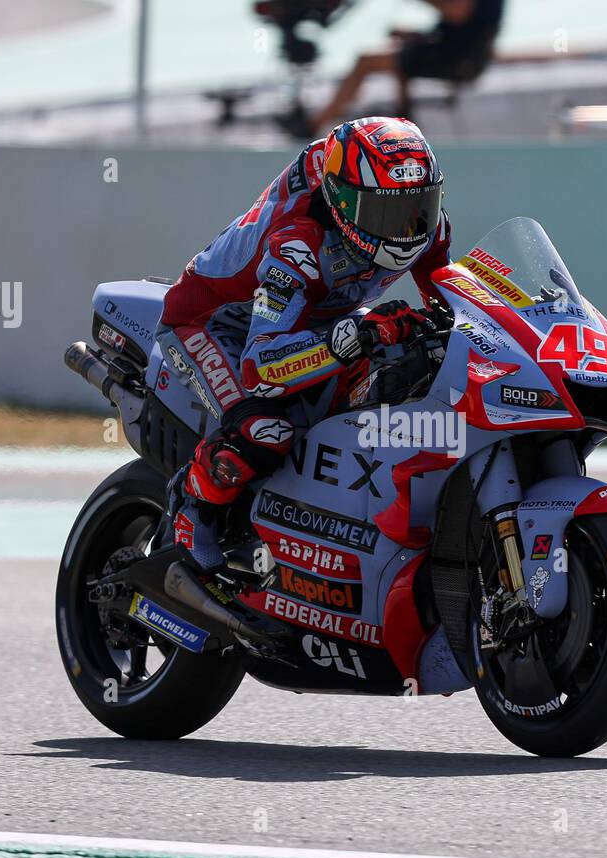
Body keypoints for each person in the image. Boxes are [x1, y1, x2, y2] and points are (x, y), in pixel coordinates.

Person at [157, 116, 451, 569]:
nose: (405, 230)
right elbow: (262, 370)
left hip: (313, 324)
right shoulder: (298, 246)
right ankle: (192, 508)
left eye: (418, 207)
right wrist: (361, 334)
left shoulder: (426, 228)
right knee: (265, 431)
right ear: (343, 203)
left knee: (392, 380)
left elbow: (451, 303)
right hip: (212, 326)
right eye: (386, 213)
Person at [292, 0, 505, 137]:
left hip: (457, 60)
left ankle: (316, 123)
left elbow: (457, 11)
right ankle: (402, 108)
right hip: (453, 53)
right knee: (402, 51)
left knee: (367, 60)